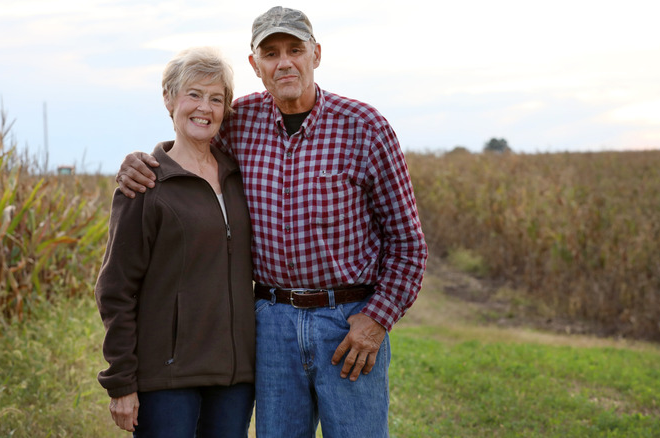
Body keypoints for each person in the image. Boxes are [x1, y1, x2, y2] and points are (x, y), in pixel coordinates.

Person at [115, 6, 428, 438]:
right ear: (254, 65)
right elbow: (190, 146)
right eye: (271, 52)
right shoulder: (238, 122)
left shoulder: (365, 128)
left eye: (295, 50)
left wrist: (376, 320)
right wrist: (140, 161)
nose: (284, 62)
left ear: (316, 54)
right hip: (271, 323)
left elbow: (408, 243)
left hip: (347, 323)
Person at [94, 46, 255, 438]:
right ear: (169, 99)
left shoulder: (239, 177)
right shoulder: (147, 184)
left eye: (216, 98)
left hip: (234, 378)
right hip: (167, 379)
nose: (205, 107)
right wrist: (121, 383)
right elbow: (116, 289)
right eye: (194, 94)